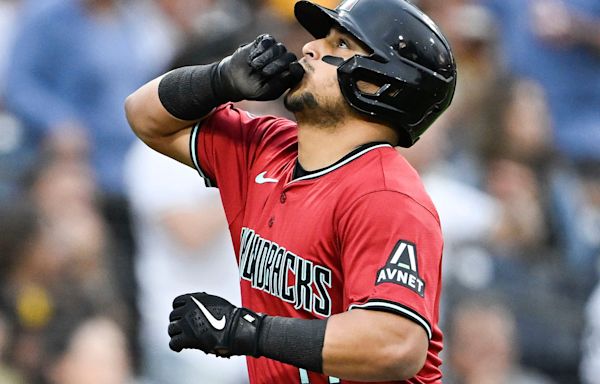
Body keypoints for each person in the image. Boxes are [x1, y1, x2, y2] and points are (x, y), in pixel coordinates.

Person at [125, 0, 456, 383]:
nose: (311, 48)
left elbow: (394, 344)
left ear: (384, 85)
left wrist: (247, 329)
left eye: (342, 45)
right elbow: (143, 115)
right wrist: (222, 78)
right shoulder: (266, 147)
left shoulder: (386, 195)